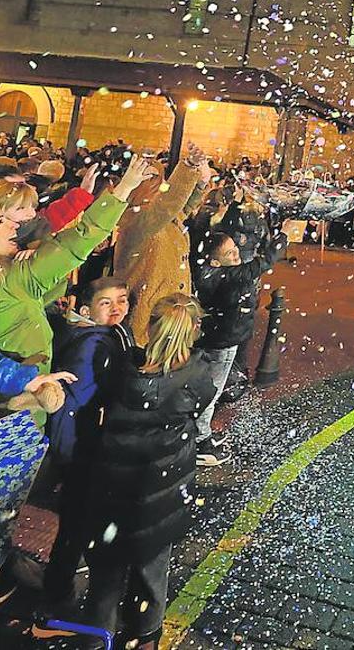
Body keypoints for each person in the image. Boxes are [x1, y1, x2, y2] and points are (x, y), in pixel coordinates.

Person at [0, 154, 153, 438]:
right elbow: (75, 242)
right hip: (22, 403)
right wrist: (122, 191)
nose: (16, 225)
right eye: (2, 220)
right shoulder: (12, 275)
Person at [76, 293, 216, 650]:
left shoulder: (123, 372)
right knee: (153, 572)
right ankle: (146, 636)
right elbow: (202, 397)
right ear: (192, 332)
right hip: (162, 495)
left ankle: (97, 638)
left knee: (106, 575)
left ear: (152, 328)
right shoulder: (197, 375)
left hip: (112, 491)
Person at [41, 276, 138, 612]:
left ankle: (59, 585)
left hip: (82, 443)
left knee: (76, 516)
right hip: (82, 445)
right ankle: (56, 599)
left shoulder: (101, 334)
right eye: (106, 303)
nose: (117, 308)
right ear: (86, 310)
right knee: (76, 520)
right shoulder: (91, 346)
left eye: (122, 299)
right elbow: (81, 401)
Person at [192, 228, 286, 464]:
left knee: (213, 389)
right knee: (211, 392)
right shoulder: (218, 275)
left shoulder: (219, 272)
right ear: (215, 261)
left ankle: (203, 434)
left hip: (226, 338)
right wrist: (276, 245)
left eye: (236, 251)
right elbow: (253, 268)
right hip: (221, 342)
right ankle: (199, 441)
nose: (236, 256)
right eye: (230, 253)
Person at [112, 149, 212, 346]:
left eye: (158, 178)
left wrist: (200, 184)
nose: (158, 184)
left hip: (169, 318)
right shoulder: (135, 220)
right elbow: (166, 207)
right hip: (150, 321)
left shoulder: (160, 217)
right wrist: (189, 167)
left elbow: (180, 210)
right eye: (149, 178)